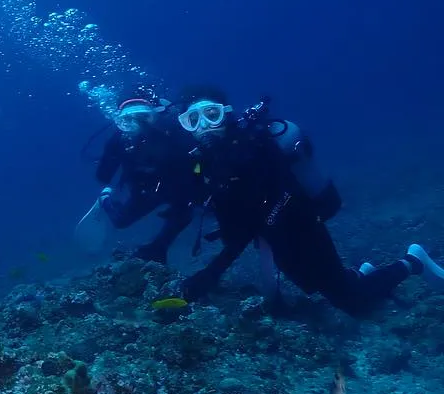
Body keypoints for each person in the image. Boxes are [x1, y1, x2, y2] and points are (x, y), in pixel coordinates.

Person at [175, 87, 444, 316]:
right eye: (193, 120)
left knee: (351, 303)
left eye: (212, 115)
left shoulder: (254, 149)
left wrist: (212, 272)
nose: (204, 127)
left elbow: (256, 219)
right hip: (273, 232)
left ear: (227, 113)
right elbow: (236, 226)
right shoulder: (203, 164)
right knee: (315, 286)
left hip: (301, 224)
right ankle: (362, 273)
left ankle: (413, 261)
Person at [79, 91, 202, 264]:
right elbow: (103, 175)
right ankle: (105, 199)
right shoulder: (121, 140)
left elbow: (197, 161)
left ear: (154, 116)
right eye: (127, 120)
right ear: (120, 121)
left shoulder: (171, 132)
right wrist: (114, 149)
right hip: (144, 191)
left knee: (186, 213)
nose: (137, 124)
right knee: (121, 222)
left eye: (143, 117)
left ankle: (158, 248)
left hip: (175, 187)